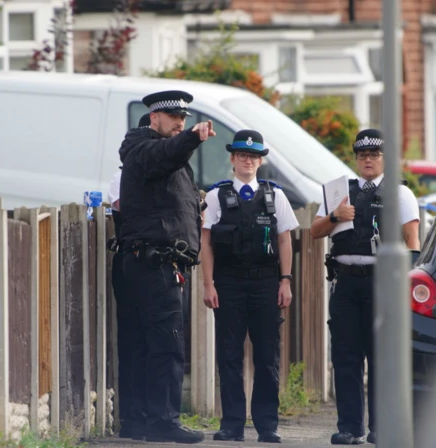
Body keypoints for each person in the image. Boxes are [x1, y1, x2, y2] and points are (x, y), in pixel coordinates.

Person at [310, 129, 420, 445]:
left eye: (374, 155)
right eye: (362, 155)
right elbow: (315, 231)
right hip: (344, 283)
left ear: (385, 159)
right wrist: (335, 215)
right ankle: (350, 427)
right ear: (356, 159)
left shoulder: (400, 194)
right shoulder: (338, 191)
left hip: (382, 284)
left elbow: (412, 244)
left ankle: (381, 427)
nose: (368, 160)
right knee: (345, 356)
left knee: (381, 357)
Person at [118, 89, 215, 444]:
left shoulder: (155, 155)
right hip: (154, 265)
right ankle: (163, 421)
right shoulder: (144, 149)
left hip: (153, 263)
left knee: (144, 346)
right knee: (166, 346)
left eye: (184, 118)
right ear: (154, 117)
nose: (180, 122)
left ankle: (139, 421)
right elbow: (166, 154)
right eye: (173, 117)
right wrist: (191, 138)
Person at [201, 130, 299, 444]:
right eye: (242, 155)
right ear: (232, 158)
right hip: (228, 282)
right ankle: (231, 424)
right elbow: (206, 242)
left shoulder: (275, 195)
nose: (248, 160)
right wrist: (208, 284)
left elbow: (285, 240)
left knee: (267, 356)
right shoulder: (216, 195)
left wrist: (286, 280)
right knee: (229, 355)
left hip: (265, 283)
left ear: (260, 160)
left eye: (254, 156)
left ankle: (267, 425)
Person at [106, 113, 150, 440]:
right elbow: (125, 207)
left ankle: (157, 413)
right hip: (133, 262)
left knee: (161, 344)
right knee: (134, 342)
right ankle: (133, 419)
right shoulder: (121, 177)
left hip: (163, 265)